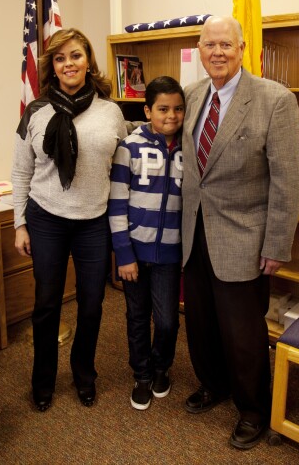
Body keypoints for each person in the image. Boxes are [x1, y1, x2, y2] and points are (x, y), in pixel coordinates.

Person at [181, 16, 299, 449]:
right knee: (199, 322)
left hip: (244, 238)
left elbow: (288, 180)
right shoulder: (193, 96)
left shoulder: (275, 101)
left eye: (225, 45)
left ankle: (254, 408)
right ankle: (213, 384)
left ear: (242, 48)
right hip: (193, 233)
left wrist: (277, 245)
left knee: (243, 332)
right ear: (200, 48)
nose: (217, 52)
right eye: (209, 44)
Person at [12, 28, 128, 412]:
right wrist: (19, 223)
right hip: (46, 218)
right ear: (53, 67)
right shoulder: (36, 111)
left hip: (93, 221)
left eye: (75, 56)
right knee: (47, 305)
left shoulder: (111, 112)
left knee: (92, 304)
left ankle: (84, 374)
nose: (69, 64)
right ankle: (42, 381)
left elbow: (122, 169)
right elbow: (20, 172)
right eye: (60, 58)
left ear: (88, 60)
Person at [108, 76, 185, 411]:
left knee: (167, 320)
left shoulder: (190, 146)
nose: (171, 116)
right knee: (137, 317)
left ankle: (160, 367)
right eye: (163, 109)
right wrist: (124, 254)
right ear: (147, 110)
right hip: (134, 253)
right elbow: (116, 203)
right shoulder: (129, 147)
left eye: (178, 109)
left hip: (170, 252)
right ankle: (141, 374)